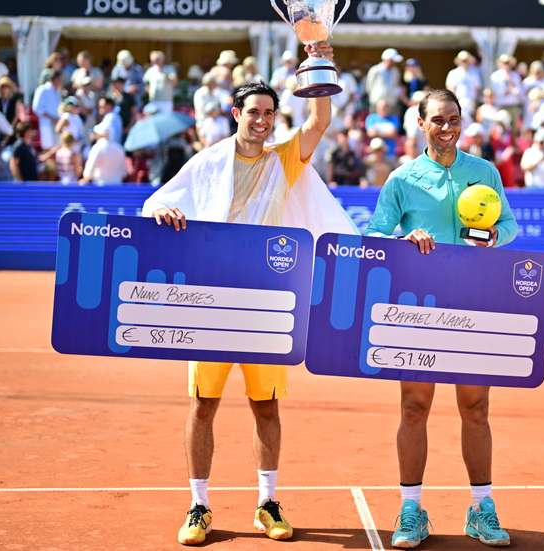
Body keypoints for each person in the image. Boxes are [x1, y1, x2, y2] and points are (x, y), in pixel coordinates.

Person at [141, 43, 356, 547]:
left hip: (267, 303)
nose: (262, 120)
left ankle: (268, 501)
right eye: (253, 112)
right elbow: (159, 202)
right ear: (235, 113)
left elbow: (320, 118)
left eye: (269, 113)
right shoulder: (208, 161)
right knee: (203, 404)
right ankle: (199, 505)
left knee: (267, 407)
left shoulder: (286, 159)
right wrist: (163, 214)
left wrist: (318, 53)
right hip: (212, 301)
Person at [365, 89, 517, 549]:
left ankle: (482, 508)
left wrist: (493, 236)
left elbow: (508, 226)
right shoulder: (402, 179)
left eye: (454, 119)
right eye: (438, 120)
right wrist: (404, 238)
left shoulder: (484, 172)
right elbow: (374, 233)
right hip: (420, 309)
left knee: (476, 408)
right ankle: (411, 510)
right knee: (415, 408)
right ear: (420, 122)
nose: (447, 127)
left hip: (473, 302)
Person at [81, 120, 128, 185]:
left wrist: (85, 178)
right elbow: (124, 172)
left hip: (100, 186)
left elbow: (89, 169)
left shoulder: (97, 147)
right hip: (117, 185)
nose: (94, 135)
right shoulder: (119, 148)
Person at [32, 70, 63, 152]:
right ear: (55, 79)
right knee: (48, 149)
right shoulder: (42, 89)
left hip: (57, 124)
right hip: (46, 124)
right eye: (60, 79)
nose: (61, 82)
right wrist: (52, 118)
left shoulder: (58, 91)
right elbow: (36, 108)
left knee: (58, 147)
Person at [446, 50, 483, 114]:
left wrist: (475, 102)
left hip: (471, 101)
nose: (465, 62)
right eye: (463, 60)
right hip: (459, 100)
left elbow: (477, 88)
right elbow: (450, 88)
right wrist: (455, 102)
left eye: (466, 60)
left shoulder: (474, 73)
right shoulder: (453, 73)